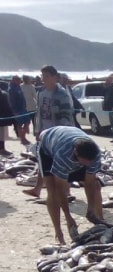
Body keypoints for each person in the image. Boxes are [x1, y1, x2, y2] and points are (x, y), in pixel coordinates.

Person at [36, 126, 104, 245]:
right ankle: (59, 233)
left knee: (96, 185)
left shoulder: (95, 155)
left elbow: (89, 183)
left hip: (69, 137)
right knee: (52, 191)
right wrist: (68, 217)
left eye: (90, 161)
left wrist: (90, 208)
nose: (88, 164)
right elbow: (60, 189)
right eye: (85, 161)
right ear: (76, 153)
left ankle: (101, 221)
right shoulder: (63, 155)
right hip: (47, 147)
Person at [23, 65, 74, 198]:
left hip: (58, 134)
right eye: (42, 76)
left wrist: (61, 134)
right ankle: (37, 189)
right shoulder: (41, 92)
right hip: (44, 132)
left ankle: (67, 192)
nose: (43, 79)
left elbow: (67, 115)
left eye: (46, 76)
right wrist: (37, 130)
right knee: (42, 160)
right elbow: (38, 113)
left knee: (61, 162)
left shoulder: (62, 94)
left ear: (54, 77)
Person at [8, 76, 31, 146]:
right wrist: (15, 111)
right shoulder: (11, 89)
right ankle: (22, 139)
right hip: (17, 109)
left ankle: (23, 137)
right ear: (14, 80)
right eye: (18, 80)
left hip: (23, 108)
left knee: (27, 122)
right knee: (19, 124)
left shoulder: (18, 87)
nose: (19, 81)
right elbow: (11, 101)